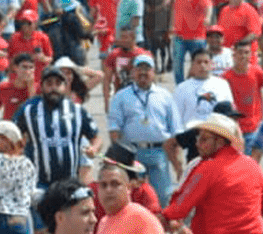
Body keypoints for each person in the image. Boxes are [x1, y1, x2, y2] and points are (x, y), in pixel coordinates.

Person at [106, 53, 180, 206]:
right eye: (139, 68)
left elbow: (175, 130)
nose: (143, 72)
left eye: (147, 69)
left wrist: (176, 162)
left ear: (154, 73)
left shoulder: (165, 96)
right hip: (133, 153)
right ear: (132, 72)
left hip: (159, 153)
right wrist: (119, 157)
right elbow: (114, 129)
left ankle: (158, 229)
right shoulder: (121, 96)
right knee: (134, 198)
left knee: (163, 197)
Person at [15, 64, 99, 192]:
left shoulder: (77, 111)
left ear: (65, 87)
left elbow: (95, 137)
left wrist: (94, 148)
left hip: (70, 183)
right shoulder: (28, 111)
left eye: (58, 83)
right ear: (42, 87)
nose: (53, 87)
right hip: (38, 184)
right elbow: (13, 136)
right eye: (49, 84)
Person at [173, 50, 234, 130]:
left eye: (206, 62)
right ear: (192, 65)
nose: (202, 65)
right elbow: (176, 118)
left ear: (212, 64)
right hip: (191, 135)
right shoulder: (181, 88)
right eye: (199, 62)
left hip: (217, 134)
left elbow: (229, 113)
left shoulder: (222, 84)